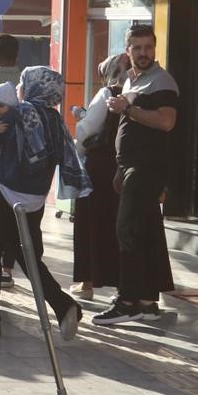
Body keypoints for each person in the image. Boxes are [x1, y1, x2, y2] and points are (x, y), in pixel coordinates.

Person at [0, 70, 90, 339]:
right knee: (29, 257)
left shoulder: (18, 112)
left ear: (32, 88)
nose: (20, 89)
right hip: (35, 200)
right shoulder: (55, 120)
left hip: (3, 193)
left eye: (24, 84)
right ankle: (63, 306)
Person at [96, 24, 179, 326]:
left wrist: (127, 110)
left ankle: (127, 302)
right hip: (132, 168)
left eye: (148, 47)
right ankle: (145, 301)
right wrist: (121, 167)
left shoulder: (161, 81)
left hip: (147, 168)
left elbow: (166, 121)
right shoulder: (133, 79)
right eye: (137, 48)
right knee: (141, 232)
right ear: (128, 50)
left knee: (127, 231)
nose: (143, 53)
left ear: (154, 48)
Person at [70, 53, 128, 300]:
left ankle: (87, 283)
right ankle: (120, 282)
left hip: (100, 166)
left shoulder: (107, 94)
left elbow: (86, 130)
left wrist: (79, 149)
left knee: (89, 223)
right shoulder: (138, 94)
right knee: (118, 225)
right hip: (124, 167)